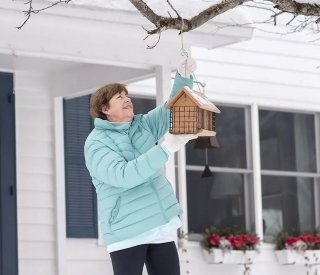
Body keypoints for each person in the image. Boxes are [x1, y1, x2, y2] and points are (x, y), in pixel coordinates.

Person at [84, 56, 197, 275]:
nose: (127, 99)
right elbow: (124, 176)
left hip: (159, 222)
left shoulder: (142, 125)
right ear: (105, 108)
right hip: (127, 227)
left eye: (127, 95)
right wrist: (165, 148)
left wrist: (183, 77)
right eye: (119, 97)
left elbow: (171, 109)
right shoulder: (96, 143)